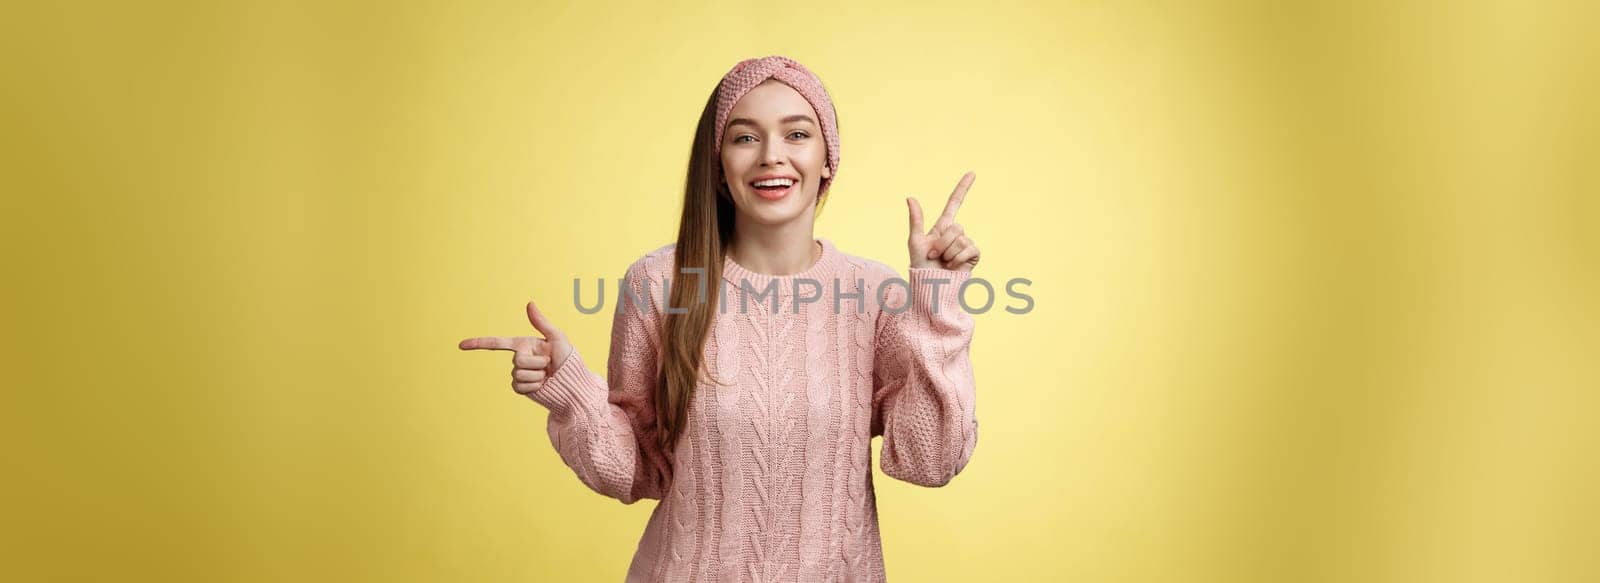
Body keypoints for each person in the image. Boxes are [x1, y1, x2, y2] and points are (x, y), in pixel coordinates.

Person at [459, 55, 981, 582]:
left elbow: (929, 462)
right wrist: (573, 391)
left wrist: (937, 301)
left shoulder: (873, 295)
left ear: (828, 159)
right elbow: (638, 469)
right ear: (717, 162)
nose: (772, 157)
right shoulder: (659, 285)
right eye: (745, 138)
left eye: (797, 134)